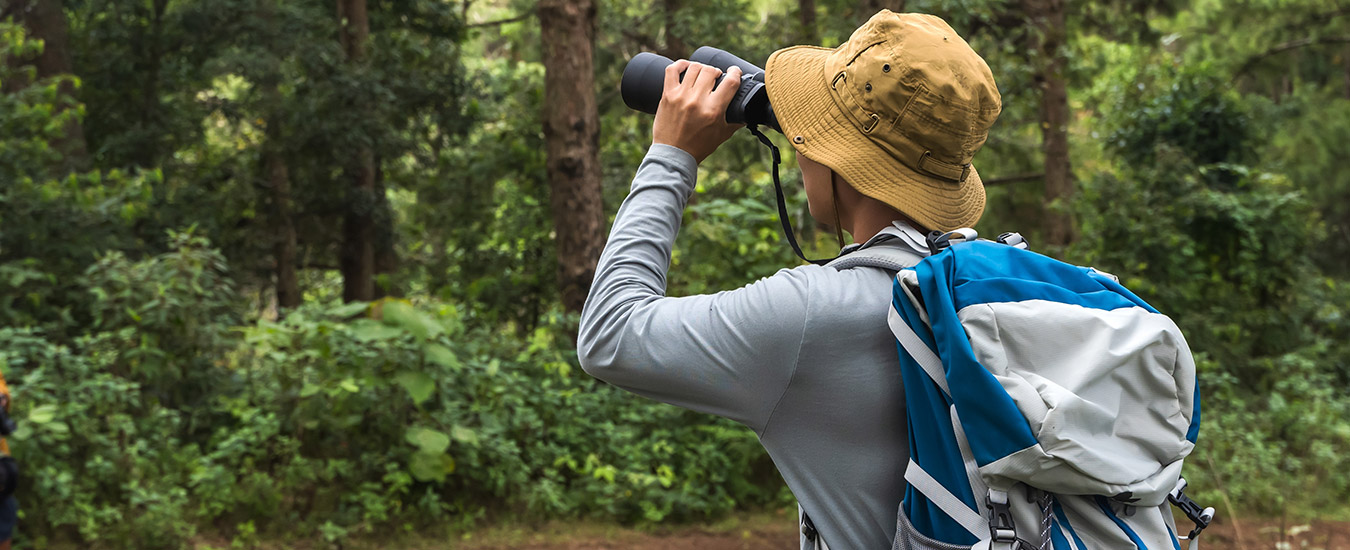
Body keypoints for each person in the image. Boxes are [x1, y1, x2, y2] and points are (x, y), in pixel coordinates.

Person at [578, 10, 1001, 549]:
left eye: (814, 133)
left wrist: (671, 154)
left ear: (839, 161)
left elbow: (610, 334)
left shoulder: (814, 315)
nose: (802, 149)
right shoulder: (997, 281)